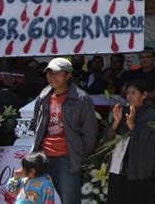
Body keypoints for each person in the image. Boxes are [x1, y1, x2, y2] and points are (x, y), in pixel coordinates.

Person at [31, 57, 98, 204]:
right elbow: (37, 125)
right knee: (38, 199)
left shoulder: (81, 99)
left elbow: (90, 133)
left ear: (68, 75)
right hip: (43, 156)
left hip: (67, 158)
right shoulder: (43, 97)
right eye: (49, 73)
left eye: (57, 73)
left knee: (70, 200)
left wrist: (77, 154)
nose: (51, 76)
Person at [106, 79, 155, 204]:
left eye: (133, 93)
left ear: (144, 95)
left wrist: (131, 124)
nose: (129, 96)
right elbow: (108, 138)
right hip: (119, 163)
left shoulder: (151, 114)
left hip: (139, 166)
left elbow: (147, 141)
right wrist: (116, 121)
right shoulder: (122, 111)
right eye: (128, 93)